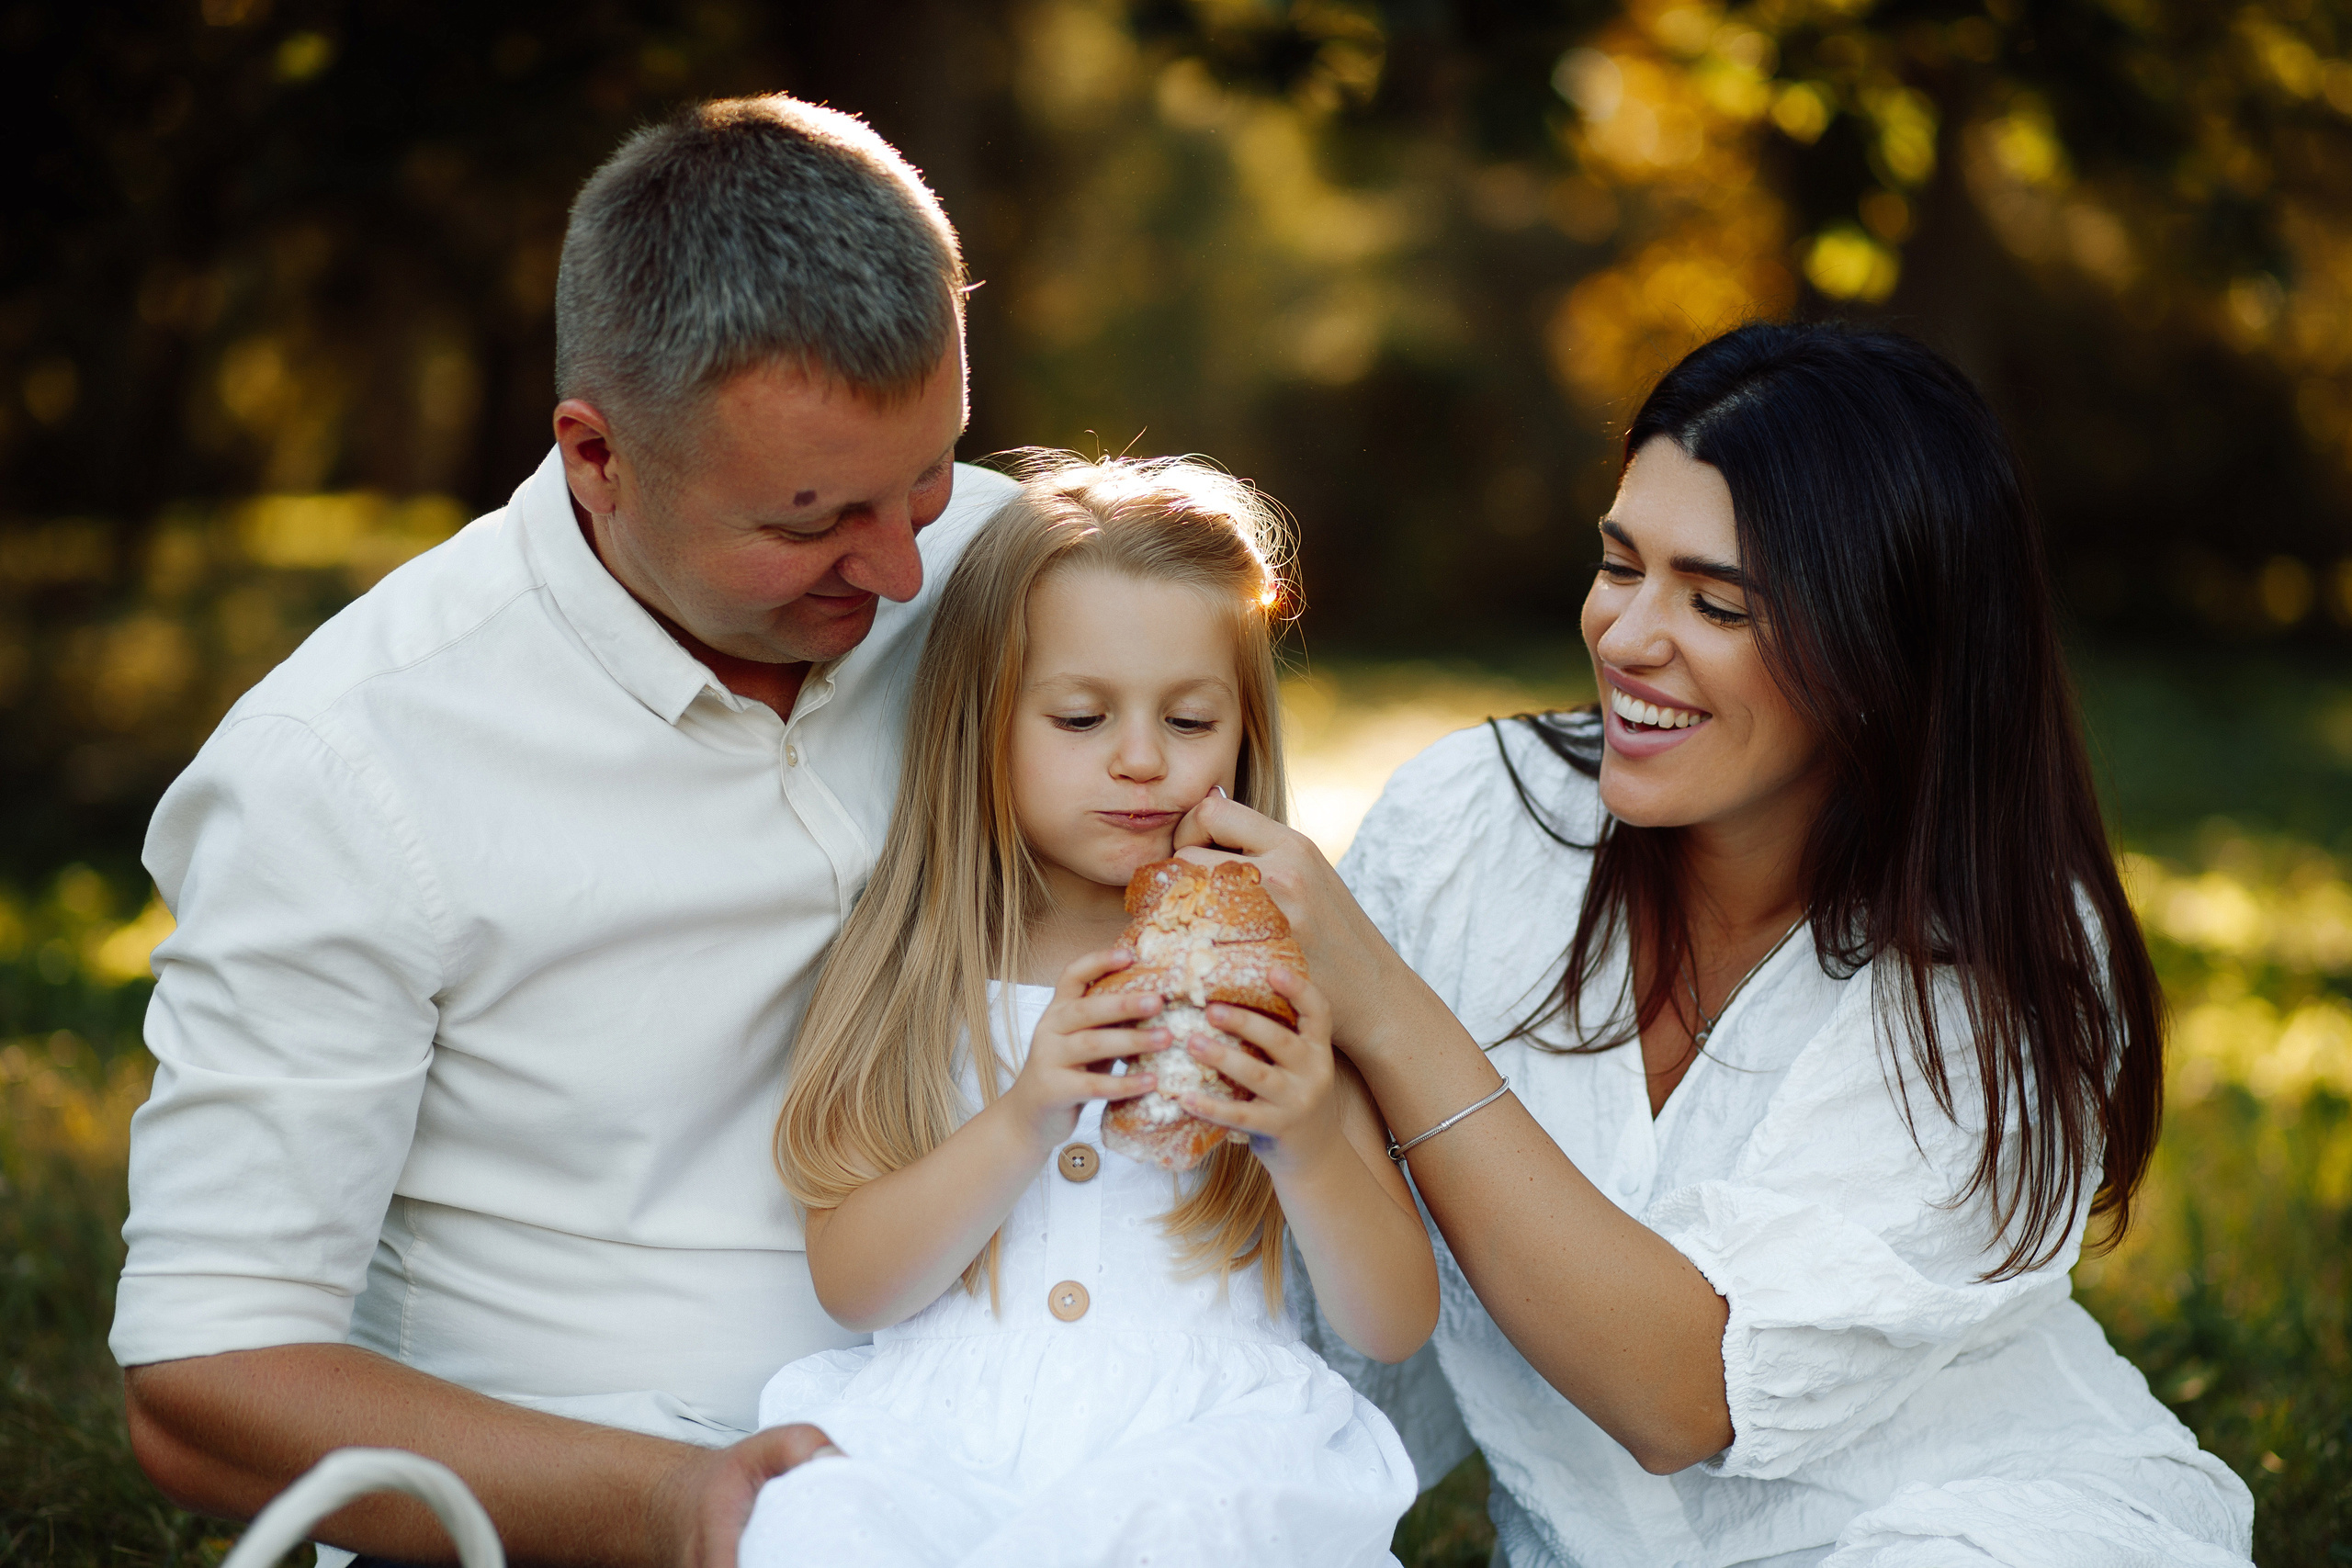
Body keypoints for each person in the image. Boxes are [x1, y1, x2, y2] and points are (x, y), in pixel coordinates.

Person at [1174, 323, 2258, 1566]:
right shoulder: (1468, 822)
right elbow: (1316, 1291)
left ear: (1881, 646)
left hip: (1974, 1525)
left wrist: (1382, 1001)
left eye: (1716, 601)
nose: (1629, 636)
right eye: (1619, 564)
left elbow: (1683, 1391)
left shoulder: (2008, 961)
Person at [111, 96, 1018, 1567]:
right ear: (597, 454)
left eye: (929, 473)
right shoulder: (345, 764)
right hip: (593, 1491)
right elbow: (206, 1378)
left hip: (1016, 1427)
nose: (909, 564)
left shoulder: (1007, 573)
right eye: (810, 521)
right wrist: (675, 1499)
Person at [739, 455, 1431, 1566]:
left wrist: (1303, 1141)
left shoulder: (1276, 972)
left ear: (1245, 734)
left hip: (1204, 1440)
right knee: (818, 1523)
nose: (1144, 760)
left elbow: (1391, 1323)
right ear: (983, 722)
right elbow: (853, 1284)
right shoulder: (915, 965)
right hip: (943, 1431)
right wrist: (1023, 1116)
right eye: (1079, 717)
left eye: (1193, 720)